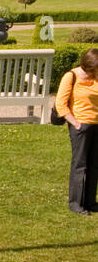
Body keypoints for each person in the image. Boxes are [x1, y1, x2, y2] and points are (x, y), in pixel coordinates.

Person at [56, 48, 98, 215]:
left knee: (95, 166)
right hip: (80, 126)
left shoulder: (96, 77)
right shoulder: (71, 76)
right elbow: (61, 104)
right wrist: (76, 123)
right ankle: (76, 204)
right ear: (89, 66)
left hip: (96, 125)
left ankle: (90, 202)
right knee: (80, 165)